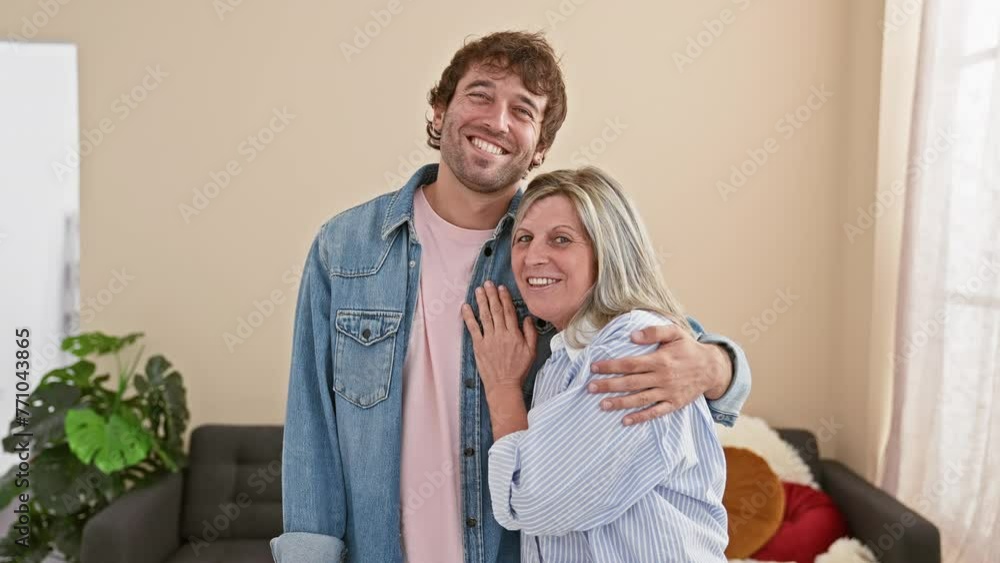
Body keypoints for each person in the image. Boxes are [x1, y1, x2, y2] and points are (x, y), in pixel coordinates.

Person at [270, 30, 750, 563]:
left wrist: (713, 366)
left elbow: (667, 339)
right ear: (439, 110)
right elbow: (312, 422)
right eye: (480, 94)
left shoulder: (552, 252)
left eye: (522, 110)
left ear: (540, 146)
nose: (497, 121)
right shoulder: (346, 246)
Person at [462, 167, 728, 562]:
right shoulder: (561, 361)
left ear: (608, 252)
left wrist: (501, 387)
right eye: (523, 239)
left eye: (561, 239)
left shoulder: (634, 345)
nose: (534, 257)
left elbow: (533, 499)